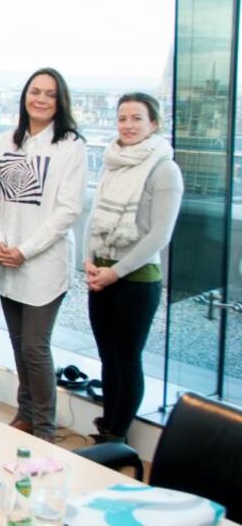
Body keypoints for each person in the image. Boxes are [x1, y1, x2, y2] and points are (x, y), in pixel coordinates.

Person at [0, 68, 86, 441]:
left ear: (60, 102)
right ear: (24, 96)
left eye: (50, 94)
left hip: (43, 264)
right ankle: (25, 413)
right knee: (18, 345)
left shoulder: (71, 147)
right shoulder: (7, 142)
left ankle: (44, 428)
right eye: (35, 91)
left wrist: (25, 250)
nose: (41, 99)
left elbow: (68, 211)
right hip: (6, 261)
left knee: (35, 346)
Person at [85, 93, 182, 444]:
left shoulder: (164, 168)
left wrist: (117, 271)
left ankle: (117, 435)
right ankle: (107, 425)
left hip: (137, 280)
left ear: (153, 123)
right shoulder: (113, 162)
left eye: (136, 118)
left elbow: (160, 234)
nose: (127, 125)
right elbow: (94, 216)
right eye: (122, 118)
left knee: (127, 359)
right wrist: (89, 261)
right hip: (102, 274)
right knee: (107, 357)